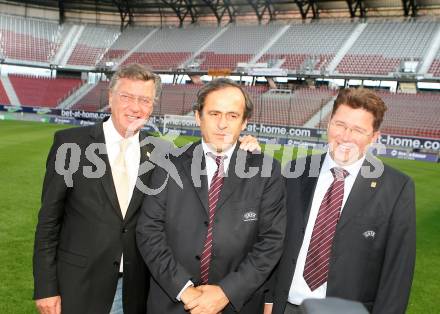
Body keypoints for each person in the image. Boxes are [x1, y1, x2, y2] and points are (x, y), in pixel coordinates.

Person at [136, 78, 286, 314]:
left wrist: (225, 292)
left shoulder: (267, 171)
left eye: (232, 116)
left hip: (236, 305)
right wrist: (185, 290)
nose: (222, 124)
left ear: (244, 122)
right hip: (172, 302)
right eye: (214, 113)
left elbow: (271, 242)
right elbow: (148, 231)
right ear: (198, 116)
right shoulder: (167, 164)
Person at [265, 88, 416, 314]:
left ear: (374, 137)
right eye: (340, 125)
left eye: (358, 130)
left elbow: (398, 270)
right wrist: (269, 301)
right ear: (328, 123)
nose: (346, 136)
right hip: (284, 307)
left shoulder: (396, 187)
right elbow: (273, 241)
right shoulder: (296, 171)